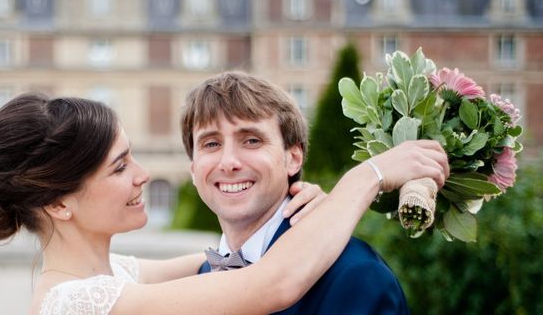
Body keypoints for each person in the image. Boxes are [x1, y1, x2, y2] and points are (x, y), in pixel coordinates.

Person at [0, 92, 448, 315]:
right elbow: (269, 282)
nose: (144, 175)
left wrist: (302, 213)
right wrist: (368, 177)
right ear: (59, 204)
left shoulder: (114, 275)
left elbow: (228, 259)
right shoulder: (76, 304)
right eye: (119, 167)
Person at [181, 71, 431, 314]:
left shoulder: (355, 275)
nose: (229, 162)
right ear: (193, 169)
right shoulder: (204, 274)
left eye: (251, 140)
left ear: (293, 157)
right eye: (211, 144)